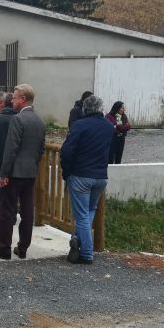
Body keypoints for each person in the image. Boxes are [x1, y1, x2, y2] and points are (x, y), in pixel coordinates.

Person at [0, 84, 46, 260]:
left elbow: (10, 149)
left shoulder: (18, 120)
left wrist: (3, 174)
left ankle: (4, 248)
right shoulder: (39, 121)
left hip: (13, 173)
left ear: (23, 99)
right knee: (27, 210)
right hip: (30, 172)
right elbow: (41, 149)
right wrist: (32, 164)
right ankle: (22, 248)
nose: (12, 101)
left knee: (6, 211)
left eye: (15, 98)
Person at [61, 95, 114, 264]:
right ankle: (77, 241)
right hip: (100, 176)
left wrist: (66, 172)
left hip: (81, 175)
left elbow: (67, 151)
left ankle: (86, 253)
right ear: (101, 108)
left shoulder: (79, 125)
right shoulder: (108, 126)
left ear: (85, 108)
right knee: (90, 211)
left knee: (82, 215)